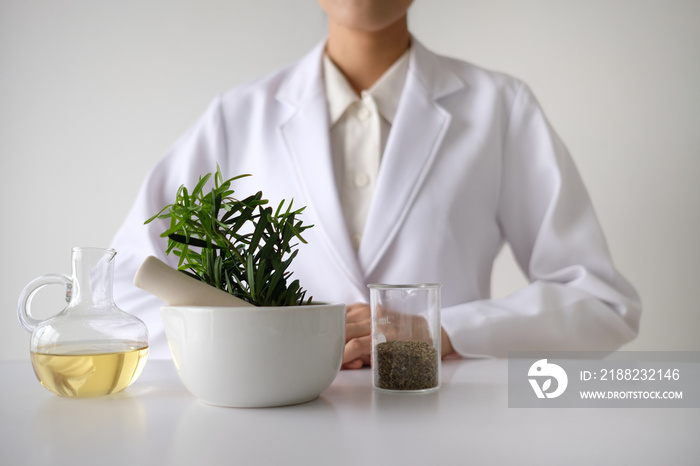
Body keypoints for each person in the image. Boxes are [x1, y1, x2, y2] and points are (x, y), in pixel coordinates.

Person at [110, 0, 641, 367]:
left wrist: (442, 331)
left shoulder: (498, 108)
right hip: (274, 434)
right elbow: (120, 290)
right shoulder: (236, 118)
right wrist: (265, 341)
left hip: (449, 425)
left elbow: (600, 303)